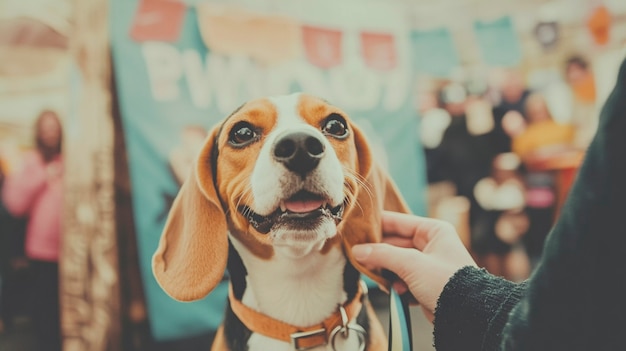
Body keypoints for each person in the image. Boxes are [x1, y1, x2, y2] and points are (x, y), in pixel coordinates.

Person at [352, 57, 626, 350]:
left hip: (500, 199)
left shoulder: (495, 122)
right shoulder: (452, 130)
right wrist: (468, 295)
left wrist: (466, 297)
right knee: (486, 243)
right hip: (476, 201)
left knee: (504, 243)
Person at [2, 110, 64, 351]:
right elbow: (13, 203)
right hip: (41, 250)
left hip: (70, 250)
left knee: (65, 307)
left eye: (54, 127)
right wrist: (42, 176)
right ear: (38, 132)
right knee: (44, 306)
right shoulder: (31, 161)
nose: (50, 133)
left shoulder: (70, 160)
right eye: (46, 128)